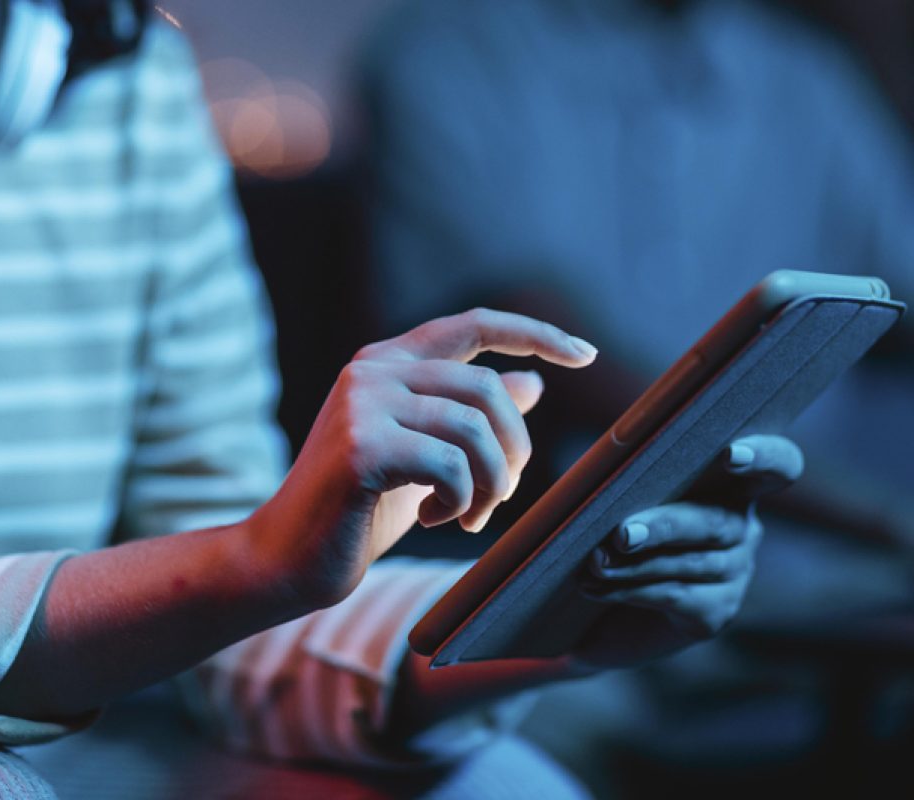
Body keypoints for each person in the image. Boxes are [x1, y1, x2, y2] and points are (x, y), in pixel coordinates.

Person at [0, 2, 803, 797]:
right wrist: (250, 561)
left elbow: (224, 615)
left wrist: (544, 619)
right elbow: (236, 569)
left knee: (505, 786)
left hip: (112, 733)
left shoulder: (129, 71)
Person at [361, 0, 914, 789]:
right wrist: (881, 517)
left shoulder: (805, 73)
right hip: (543, 600)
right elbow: (540, 348)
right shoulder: (452, 53)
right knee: (503, 762)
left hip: (809, 586)